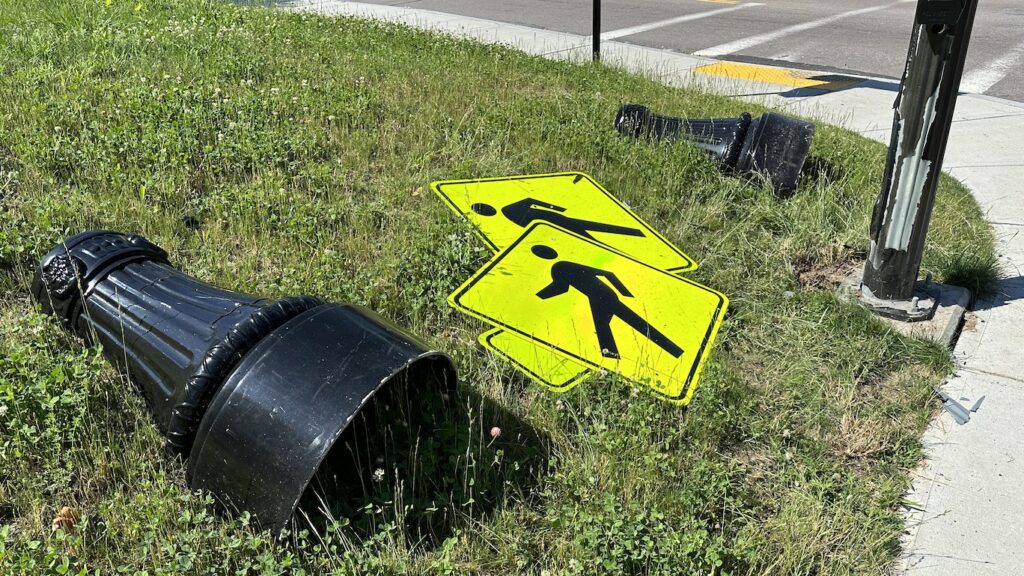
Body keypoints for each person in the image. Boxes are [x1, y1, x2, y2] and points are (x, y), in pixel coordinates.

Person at [532, 245, 682, 360]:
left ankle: (612, 359)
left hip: (602, 296)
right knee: (630, 324)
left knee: (608, 327)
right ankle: (674, 351)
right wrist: (538, 297)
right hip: (599, 297)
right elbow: (562, 288)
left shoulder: (562, 266)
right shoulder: (559, 268)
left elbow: (607, 274)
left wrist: (626, 292)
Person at [470, 198, 645, 242]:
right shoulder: (508, 214)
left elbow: (532, 201)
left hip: (557, 221)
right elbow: (533, 202)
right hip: (556, 221)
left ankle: (635, 233)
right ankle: (635, 232)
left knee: (593, 231)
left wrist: (556, 208)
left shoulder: (508, 212)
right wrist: (556, 210)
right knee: (595, 230)